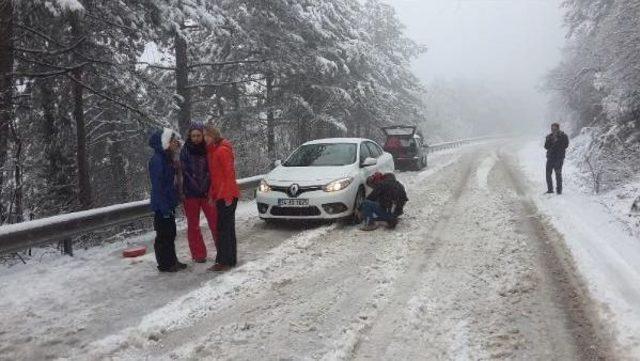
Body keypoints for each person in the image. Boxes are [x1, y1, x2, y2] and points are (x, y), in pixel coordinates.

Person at [148, 128, 187, 272]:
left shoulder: (166, 157)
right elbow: (158, 185)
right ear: (164, 142)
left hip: (167, 202)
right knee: (164, 235)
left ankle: (172, 261)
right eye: (171, 141)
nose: (174, 143)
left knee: (170, 233)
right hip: (161, 205)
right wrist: (164, 206)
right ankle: (165, 264)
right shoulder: (158, 160)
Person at [181, 122, 218, 263]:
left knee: (215, 223)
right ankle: (198, 254)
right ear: (189, 137)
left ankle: (222, 251)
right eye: (193, 136)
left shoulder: (209, 149)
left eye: (198, 135)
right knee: (193, 226)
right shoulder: (184, 151)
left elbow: (213, 171)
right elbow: (183, 173)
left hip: (208, 193)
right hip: (190, 194)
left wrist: (209, 187)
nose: (195, 138)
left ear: (203, 136)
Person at [204, 126, 240, 272]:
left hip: (227, 195)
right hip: (222, 194)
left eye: (207, 135)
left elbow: (228, 174)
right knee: (227, 228)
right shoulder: (215, 150)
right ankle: (230, 259)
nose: (205, 138)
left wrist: (227, 196)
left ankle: (224, 261)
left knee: (224, 229)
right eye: (204, 135)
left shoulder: (221, 150)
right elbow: (216, 177)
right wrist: (213, 194)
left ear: (213, 135)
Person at [544, 123, 570, 195]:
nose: (553, 130)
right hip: (550, 157)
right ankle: (550, 189)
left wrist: (557, 141)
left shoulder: (563, 136)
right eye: (552, 129)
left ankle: (559, 190)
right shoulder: (549, 136)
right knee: (548, 174)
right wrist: (549, 140)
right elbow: (546, 146)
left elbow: (566, 145)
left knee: (558, 174)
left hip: (559, 158)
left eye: (555, 129)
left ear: (558, 128)